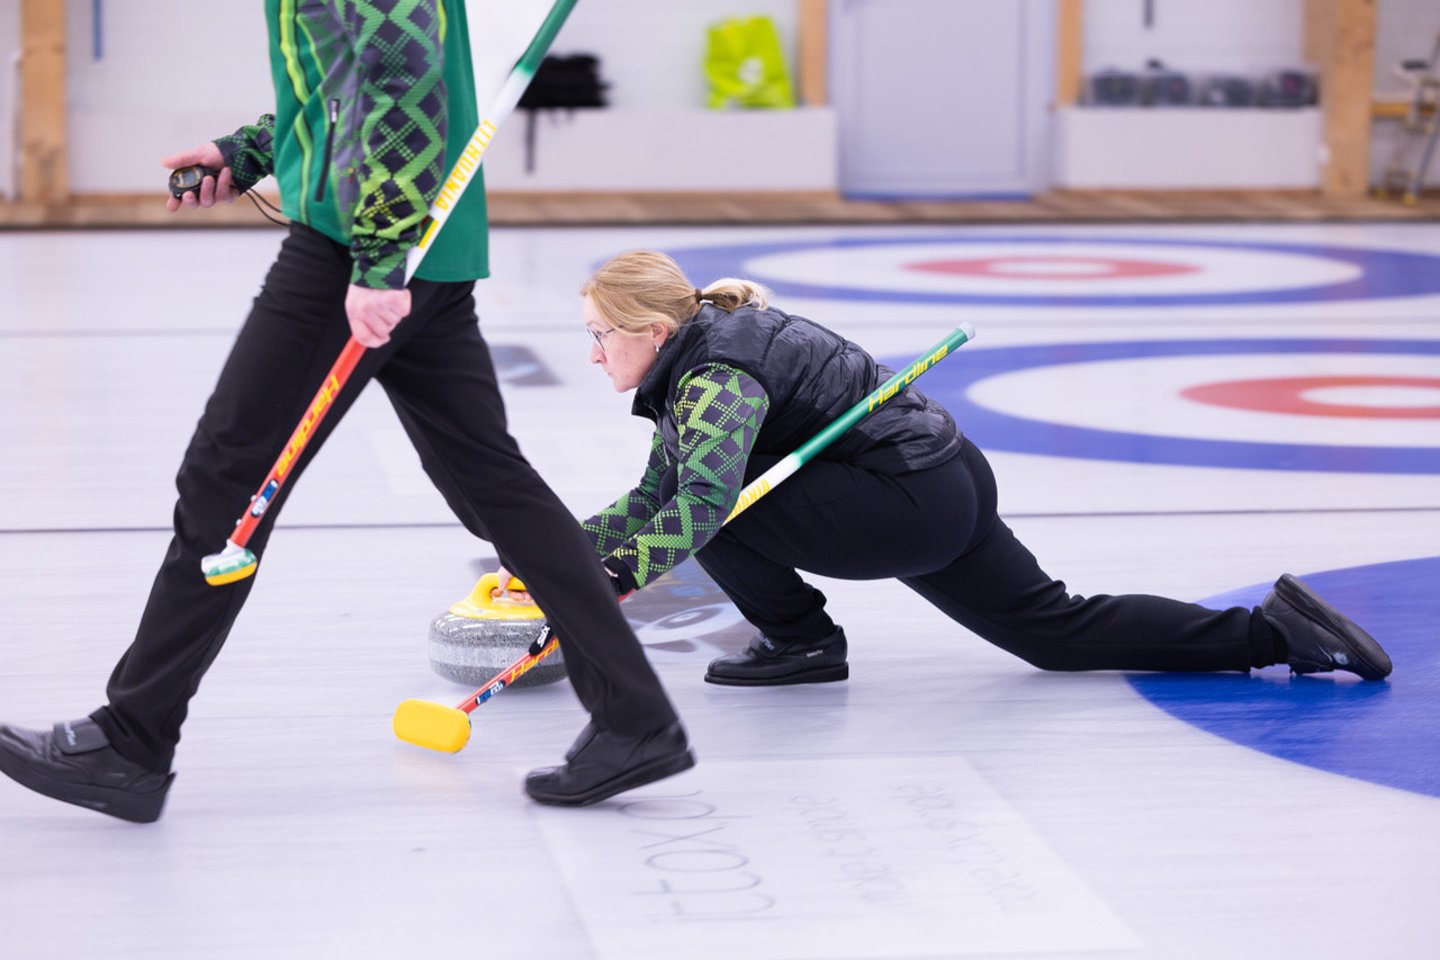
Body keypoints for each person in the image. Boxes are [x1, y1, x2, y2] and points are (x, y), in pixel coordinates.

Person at [0, 2, 693, 822]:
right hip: (415, 243)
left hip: (357, 245)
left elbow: (404, 81)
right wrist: (248, 151)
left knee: (229, 478)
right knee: (491, 486)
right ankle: (636, 718)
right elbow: (346, 82)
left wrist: (379, 258)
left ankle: (132, 742)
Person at [500, 250, 1391, 703]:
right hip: (940, 480)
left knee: (727, 507)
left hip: (902, 501)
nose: (590, 353)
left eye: (599, 333)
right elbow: (659, 492)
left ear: (653, 331)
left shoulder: (715, 378)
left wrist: (608, 578)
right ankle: (1276, 636)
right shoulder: (696, 360)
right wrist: (561, 551)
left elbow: (694, 507)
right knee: (1053, 631)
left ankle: (802, 642)